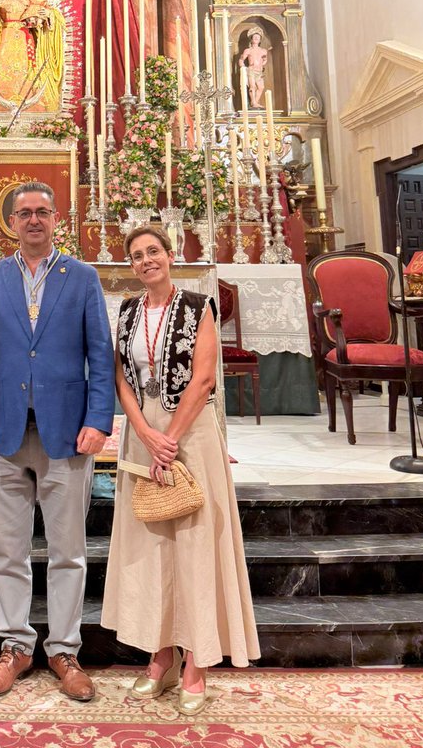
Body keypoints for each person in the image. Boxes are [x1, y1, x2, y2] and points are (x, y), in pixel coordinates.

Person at [0, 182, 114, 702]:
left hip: (67, 431)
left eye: (41, 212)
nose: (32, 220)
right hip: (4, 431)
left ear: (55, 219)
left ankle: (65, 649)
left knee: (68, 550)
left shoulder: (83, 277)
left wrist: (99, 418)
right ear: (11, 221)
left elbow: (101, 351)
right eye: (23, 213)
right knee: (8, 549)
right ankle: (15, 646)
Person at [101, 225, 259, 715]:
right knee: (151, 545)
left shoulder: (197, 307)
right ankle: (160, 655)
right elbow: (120, 378)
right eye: (137, 255)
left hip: (189, 435)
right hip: (144, 433)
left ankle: (197, 663)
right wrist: (145, 434)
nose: (147, 260)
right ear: (131, 266)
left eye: (154, 251)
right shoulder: (126, 311)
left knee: (193, 544)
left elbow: (205, 376)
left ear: (171, 256)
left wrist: (168, 441)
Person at [239, 28, 268, 109]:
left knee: (261, 87)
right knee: (252, 87)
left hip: (259, 71)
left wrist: (262, 64)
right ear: (251, 39)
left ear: (260, 40)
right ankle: (254, 102)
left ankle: (255, 102)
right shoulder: (248, 50)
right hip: (251, 71)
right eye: (254, 37)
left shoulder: (263, 51)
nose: (256, 39)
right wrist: (242, 67)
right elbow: (241, 59)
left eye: (258, 38)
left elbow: (265, 60)